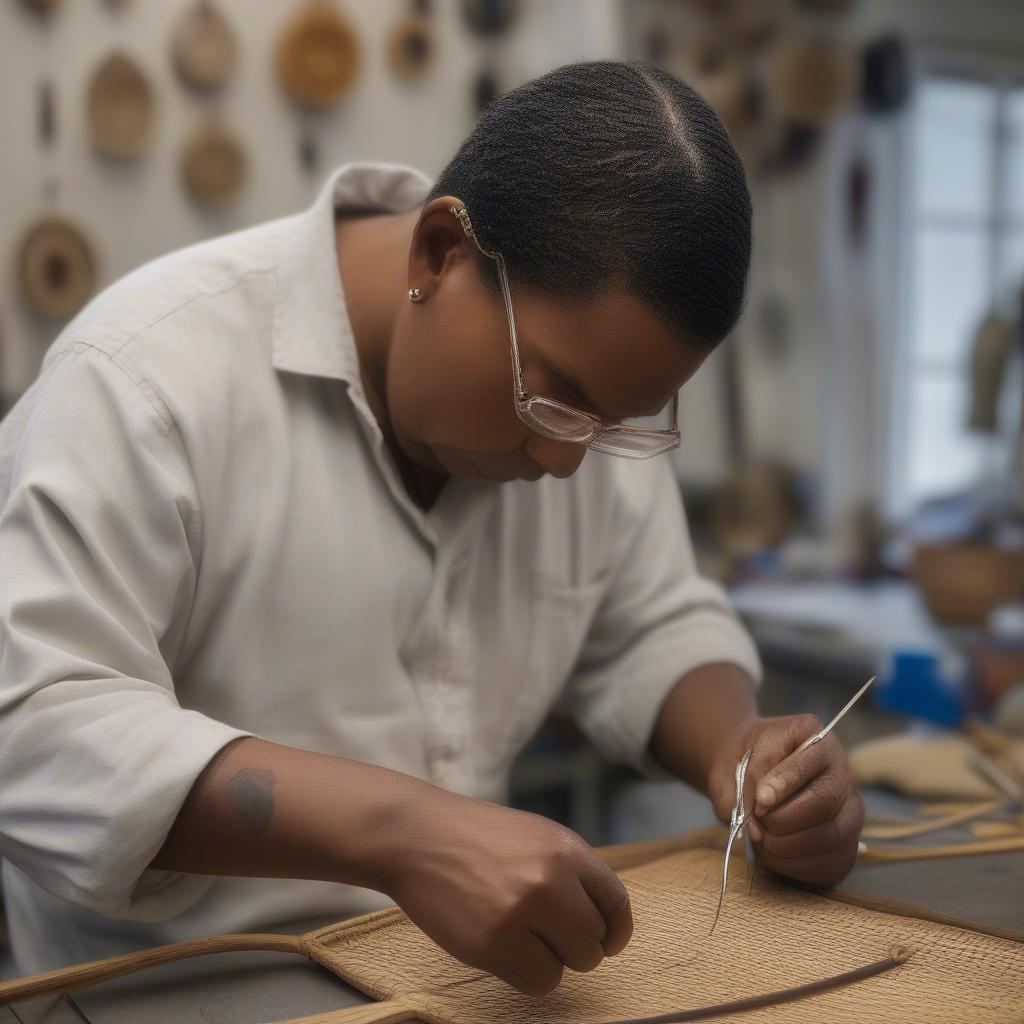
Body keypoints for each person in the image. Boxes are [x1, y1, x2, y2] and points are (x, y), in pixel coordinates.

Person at [0, 60, 863, 994]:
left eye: (611, 426)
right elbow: (35, 725)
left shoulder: (579, 405)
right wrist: (404, 833)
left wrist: (739, 751)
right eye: (556, 400)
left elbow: (652, 621)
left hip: (455, 986)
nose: (566, 462)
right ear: (438, 255)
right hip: (163, 994)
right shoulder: (141, 378)